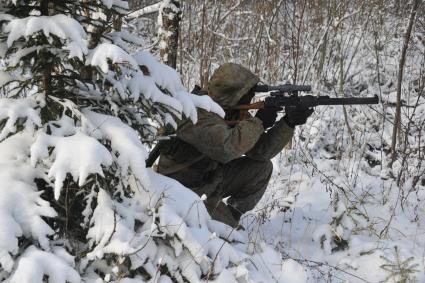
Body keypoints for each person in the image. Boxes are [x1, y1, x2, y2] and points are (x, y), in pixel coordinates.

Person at [157, 63, 313, 227]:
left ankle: (231, 213)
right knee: (230, 236)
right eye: (245, 95)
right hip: (180, 191)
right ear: (230, 94)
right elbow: (227, 148)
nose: (248, 100)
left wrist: (288, 123)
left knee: (261, 168)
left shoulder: (227, 111)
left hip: (210, 180)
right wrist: (258, 122)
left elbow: (261, 152)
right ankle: (221, 219)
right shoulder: (195, 113)